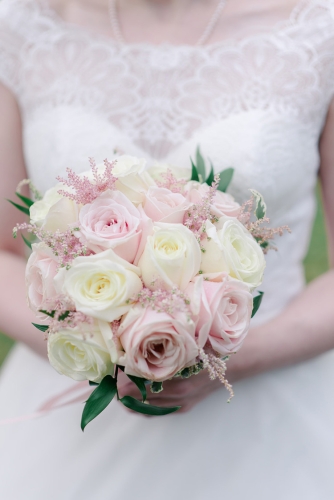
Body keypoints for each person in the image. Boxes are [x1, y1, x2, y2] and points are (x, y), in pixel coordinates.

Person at [0, 0, 334, 498]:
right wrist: (100, 351)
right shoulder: (23, 24)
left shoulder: (317, 30)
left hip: (269, 417)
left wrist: (230, 359)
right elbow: (4, 249)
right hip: (65, 421)